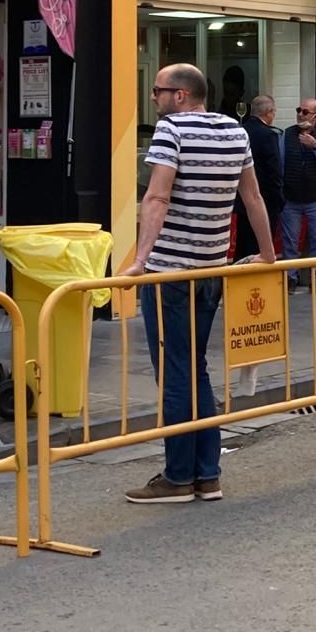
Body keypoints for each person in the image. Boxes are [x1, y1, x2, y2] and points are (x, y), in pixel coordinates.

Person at [120, 63, 275, 504]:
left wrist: (140, 260)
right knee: (195, 370)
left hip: (171, 273)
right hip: (210, 268)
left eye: (158, 91)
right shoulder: (235, 132)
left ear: (181, 95)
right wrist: (266, 254)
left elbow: (157, 196)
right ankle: (207, 475)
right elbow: (252, 197)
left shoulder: (171, 131)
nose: (154, 98)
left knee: (174, 373)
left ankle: (177, 477)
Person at [281, 96, 316, 289]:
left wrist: (315, 146)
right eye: (298, 110)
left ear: (315, 115)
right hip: (291, 198)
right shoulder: (288, 134)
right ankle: (290, 277)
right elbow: (281, 162)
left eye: (304, 112)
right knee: (290, 241)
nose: (299, 114)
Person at [234, 96, 283, 263]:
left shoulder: (240, 131)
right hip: (265, 201)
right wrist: (279, 199)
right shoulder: (268, 135)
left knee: (242, 244)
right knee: (260, 246)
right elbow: (273, 171)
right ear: (268, 112)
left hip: (241, 200)